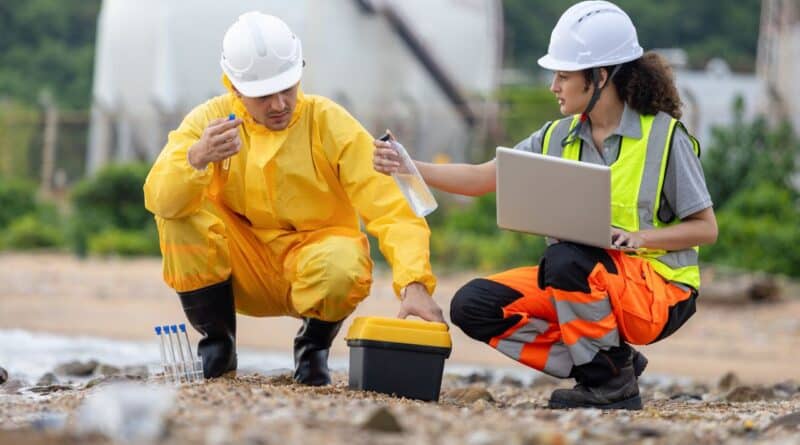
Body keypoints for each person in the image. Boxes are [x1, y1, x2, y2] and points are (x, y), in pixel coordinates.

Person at [373, 0, 717, 410]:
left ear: (600, 77)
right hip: (582, 279)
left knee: (565, 260)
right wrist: (408, 165)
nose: (554, 86)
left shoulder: (665, 138)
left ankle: (611, 385)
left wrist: (640, 237)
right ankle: (610, 362)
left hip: (660, 292)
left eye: (564, 75)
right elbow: (482, 178)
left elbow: (706, 228)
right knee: (473, 306)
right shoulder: (555, 137)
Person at [144, 11, 444, 386]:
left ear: (300, 71)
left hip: (312, 265)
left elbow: (390, 205)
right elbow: (160, 198)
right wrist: (197, 158)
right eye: (263, 95)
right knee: (178, 212)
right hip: (238, 268)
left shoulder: (328, 122)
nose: (279, 105)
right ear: (234, 87)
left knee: (344, 263)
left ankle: (313, 349)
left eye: (287, 88)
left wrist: (414, 282)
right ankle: (218, 347)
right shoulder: (209, 122)